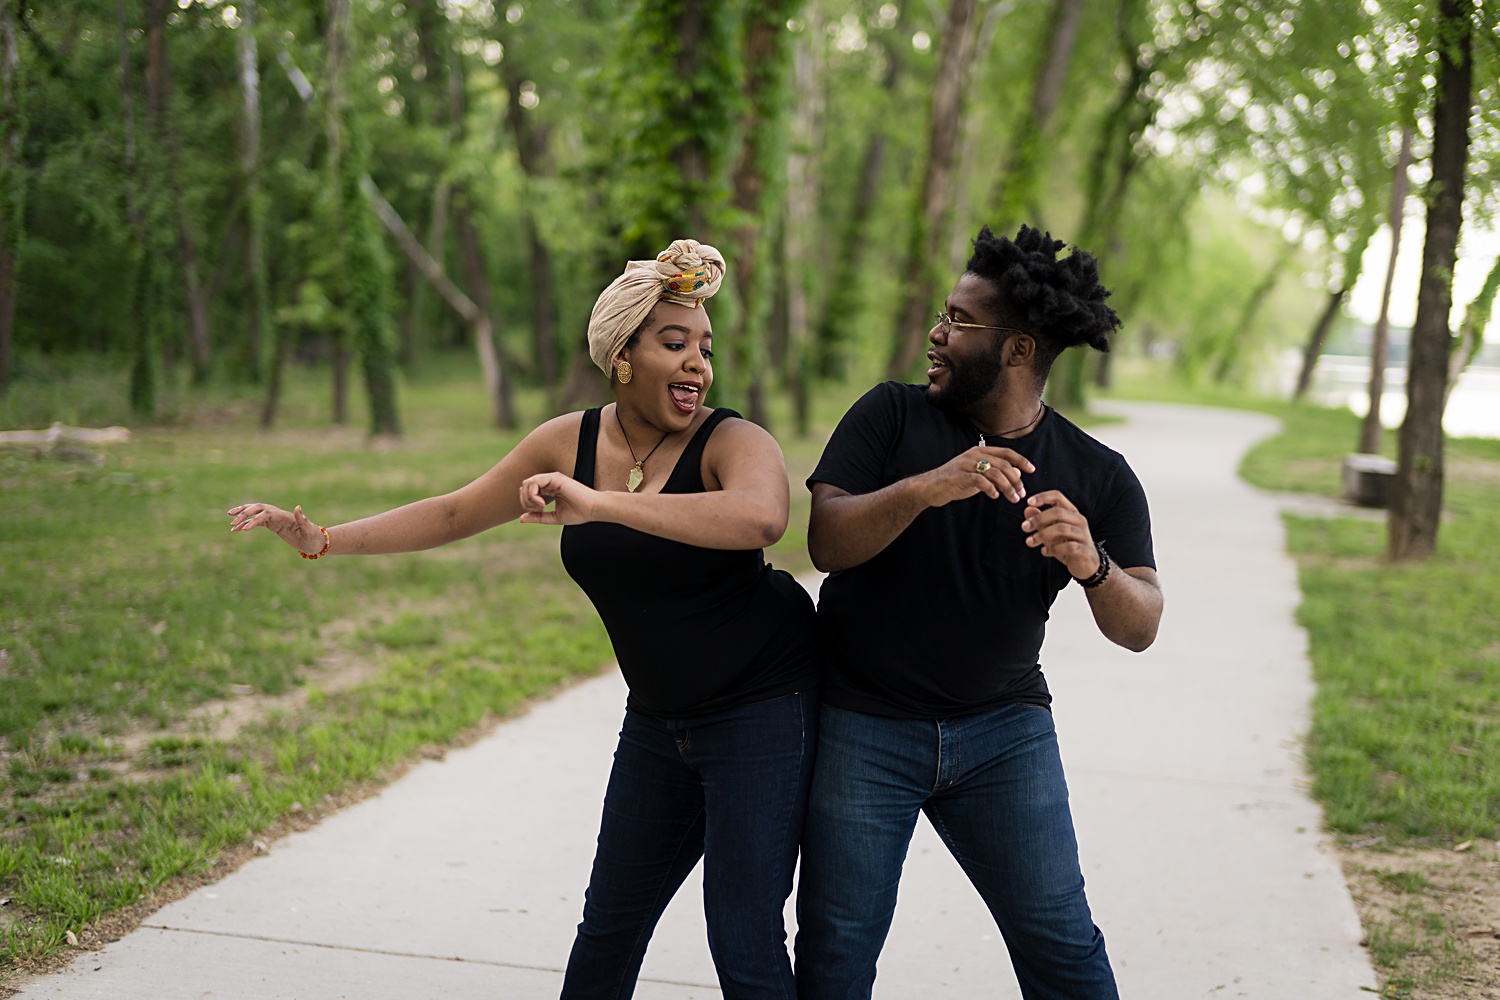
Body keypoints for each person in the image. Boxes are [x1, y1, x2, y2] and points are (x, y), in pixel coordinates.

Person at [228, 239, 821, 1000]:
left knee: (740, 935)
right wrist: (322, 539)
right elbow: (451, 513)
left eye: (704, 347)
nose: (698, 364)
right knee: (608, 928)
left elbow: (763, 518)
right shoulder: (565, 441)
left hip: (764, 709)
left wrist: (601, 504)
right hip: (660, 718)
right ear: (622, 357)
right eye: (674, 344)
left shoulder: (732, 440)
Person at [792, 224, 1163, 1000]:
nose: (936, 332)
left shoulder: (1099, 474)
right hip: (864, 726)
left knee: (1064, 946)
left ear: (1019, 349)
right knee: (836, 956)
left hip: (1004, 735)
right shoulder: (890, 417)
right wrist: (925, 488)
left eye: (959, 322)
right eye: (943, 314)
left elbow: (1141, 625)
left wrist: (1090, 564)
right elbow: (827, 541)